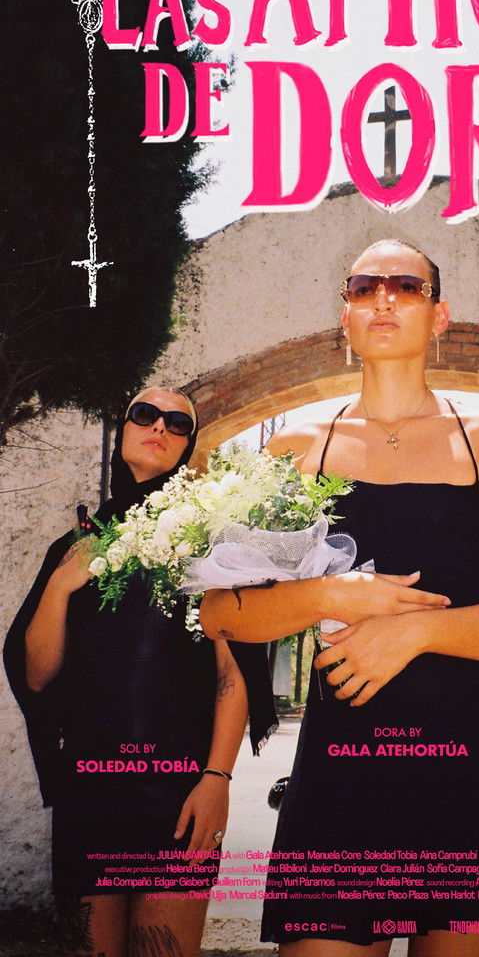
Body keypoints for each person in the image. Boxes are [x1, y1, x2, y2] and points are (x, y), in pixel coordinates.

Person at [199, 238, 479, 955]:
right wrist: (332, 592)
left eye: (406, 285)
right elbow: (222, 613)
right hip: (345, 754)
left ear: (439, 316)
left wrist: (412, 631)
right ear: (345, 314)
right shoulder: (295, 448)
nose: (384, 298)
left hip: (468, 752)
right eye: (364, 287)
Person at [4, 387, 275, 957]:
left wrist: (218, 780)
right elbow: (37, 677)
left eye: (177, 423)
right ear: (123, 428)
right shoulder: (73, 545)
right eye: (145, 415)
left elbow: (234, 673)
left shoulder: (211, 543)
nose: (159, 428)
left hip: (179, 790)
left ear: (188, 447)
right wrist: (60, 586)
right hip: (89, 788)